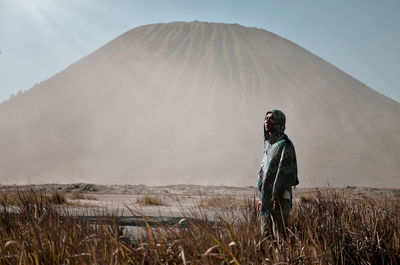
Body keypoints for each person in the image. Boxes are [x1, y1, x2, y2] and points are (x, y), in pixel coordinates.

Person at [257, 109, 299, 237]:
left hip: (280, 198)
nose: (267, 121)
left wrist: (277, 197)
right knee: (265, 235)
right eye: (266, 118)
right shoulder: (269, 145)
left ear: (279, 122)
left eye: (272, 119)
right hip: (266, 198)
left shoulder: (285, 144)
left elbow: (287, 175)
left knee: (280, 236)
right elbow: (265, 172)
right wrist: (262, 197)